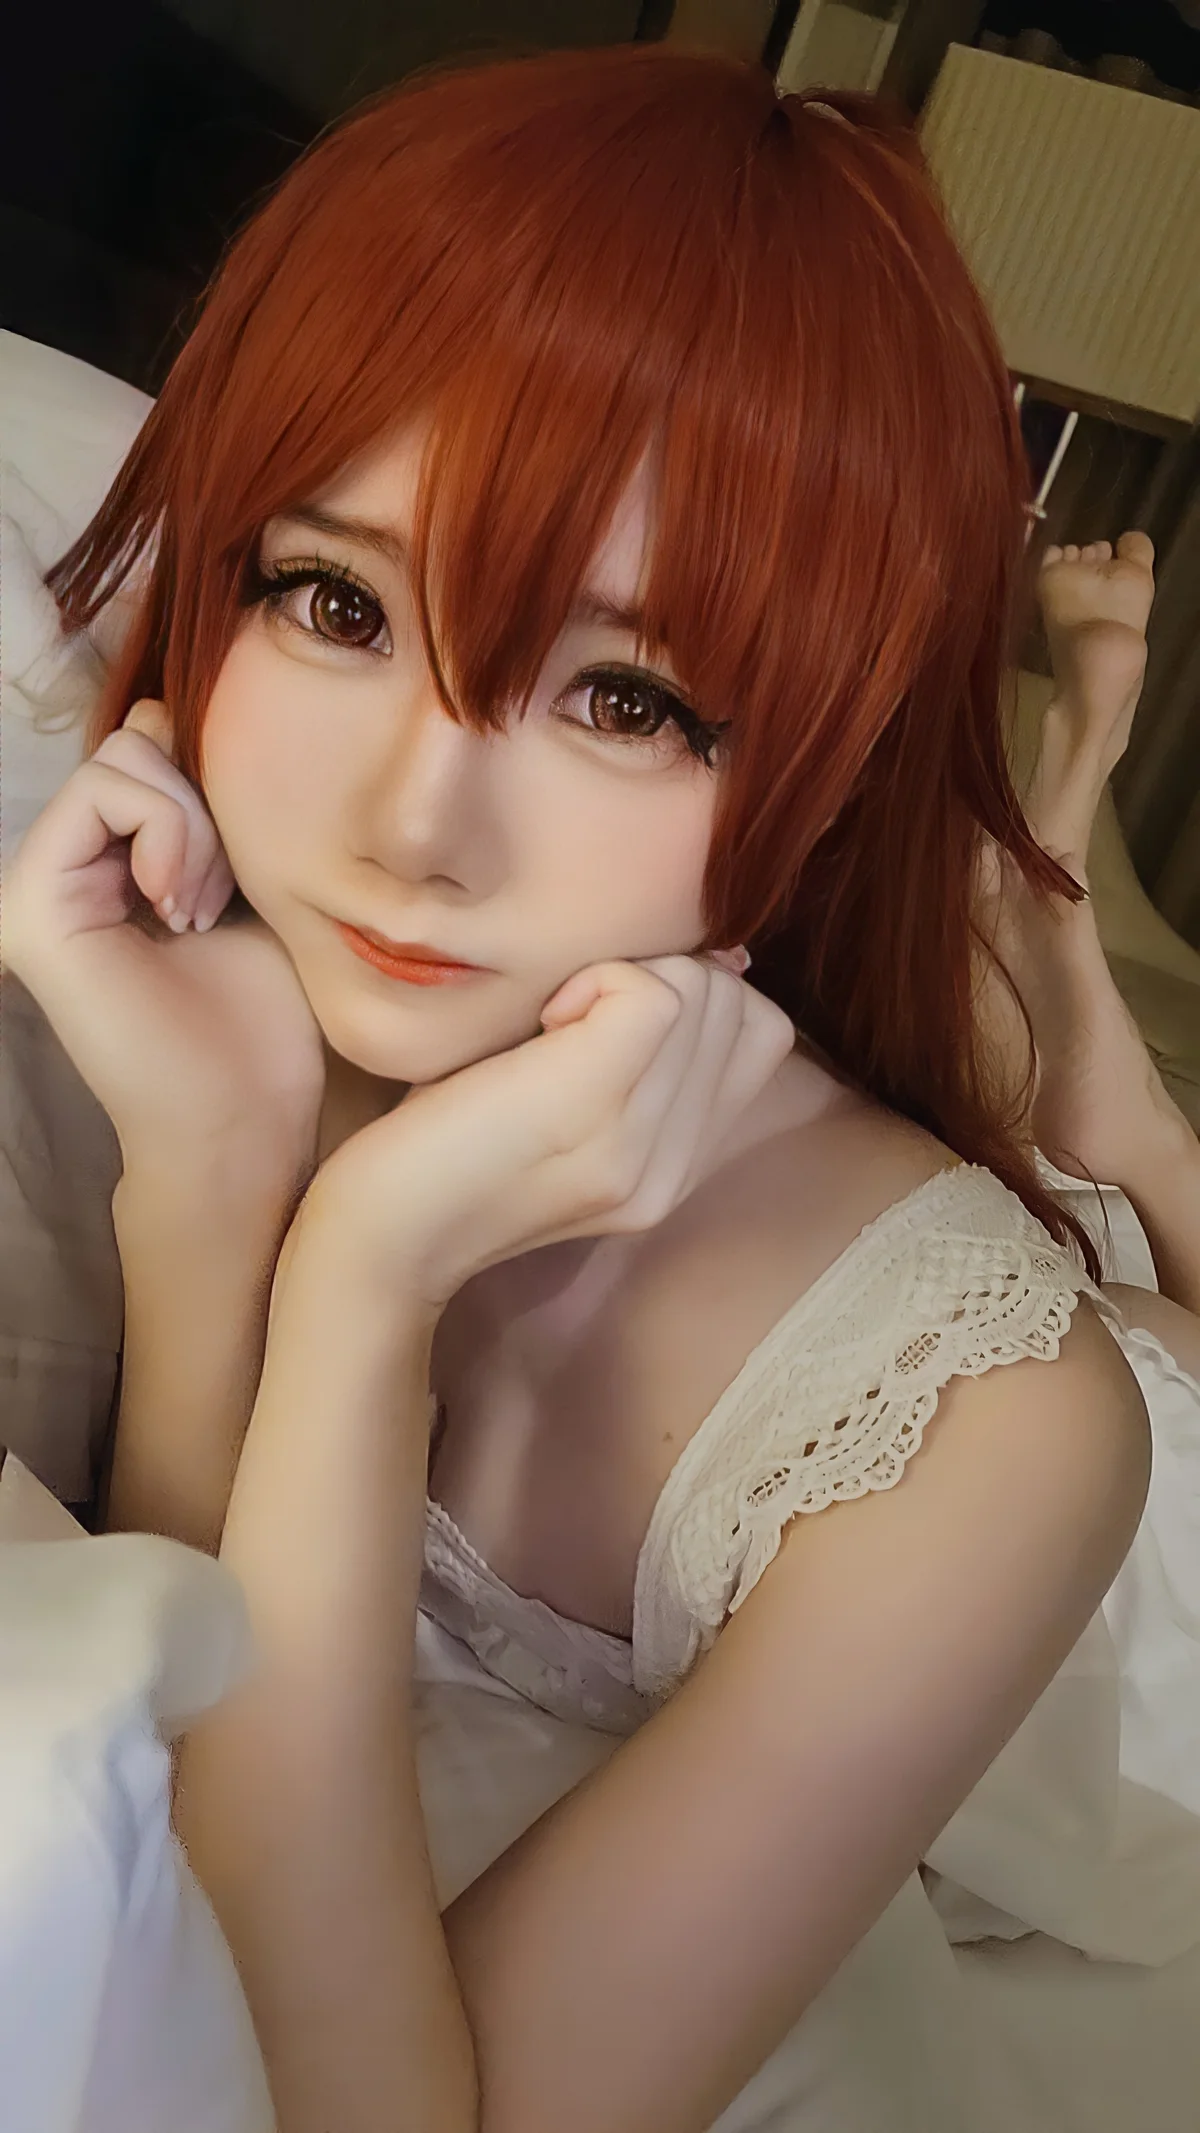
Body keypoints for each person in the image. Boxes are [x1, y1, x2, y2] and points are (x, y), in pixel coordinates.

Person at [4, 45, 1200, 2133]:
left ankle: (1128, 1135)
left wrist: (360, 1283)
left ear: (828, 761)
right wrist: (205, 1179)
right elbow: (188, 1698)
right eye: (335, 602)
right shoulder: (306, 1016)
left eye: (626, 698)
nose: (411, 829)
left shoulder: (997, 1434)